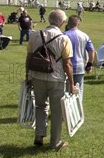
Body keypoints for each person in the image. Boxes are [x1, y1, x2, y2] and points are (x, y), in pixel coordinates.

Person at [25, 9, 76, 150]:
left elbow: (28, 58)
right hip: (56, 78)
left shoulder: (35, 35)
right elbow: (68, 64)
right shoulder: (64, 39)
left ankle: (39, 135)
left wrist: (27, 76)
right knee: (56, 111)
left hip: (36, 76)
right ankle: (55, 142)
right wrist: (71, 83)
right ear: (62, 22)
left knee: (40, 106)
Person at [64, 15, 95, 101]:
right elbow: (91, 51)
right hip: (80, 66)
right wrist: (90, 64)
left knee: (66, 90)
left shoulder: (64, 35)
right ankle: (78, 110)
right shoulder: (85, 36)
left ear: (68, 24)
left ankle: (66, 111)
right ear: (78, 24)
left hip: (66, 66)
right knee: (79, 90)